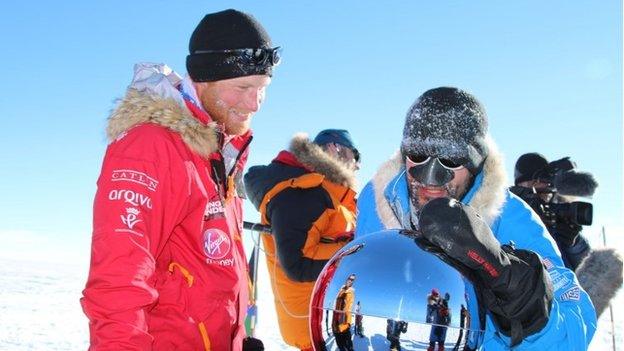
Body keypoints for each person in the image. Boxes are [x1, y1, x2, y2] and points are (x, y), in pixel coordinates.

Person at [80, 9, 279, 350]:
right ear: (202, 79)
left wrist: (236, 338)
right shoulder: (150, 146)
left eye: (262, 88)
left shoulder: (217, 153)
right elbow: (119, 277)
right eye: (244, 87)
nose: (255, 103)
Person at [356, 87, 596, 350]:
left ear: (475, 163)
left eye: (450, 159)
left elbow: (574, 332)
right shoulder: (376, 201)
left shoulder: (511, 217)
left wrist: (526, 307)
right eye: (418, 155)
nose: (430, 176)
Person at [244, 130, 360, 350]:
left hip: (329, 326)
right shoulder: (303, 193)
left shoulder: (327, 196)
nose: (358, 164)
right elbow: (297, 264)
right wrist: (354, 257)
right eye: (355, 154)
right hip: (314, 329)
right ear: (333, 148)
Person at [511, 153, 595, 270]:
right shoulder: (507, 214)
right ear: (521, 185)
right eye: (536, 183)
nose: (544, 192)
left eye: (547, 184)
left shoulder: (558, 218)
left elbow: (586, 275)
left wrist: (574, 245)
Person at [333, 274, 357, 351]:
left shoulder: (350, 292)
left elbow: (349, 307)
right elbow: (336, 304)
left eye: (352, 280)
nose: (350, 280)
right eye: (349, 278)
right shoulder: (341, 290)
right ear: (347, 279)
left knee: (348, 346)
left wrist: (346, 323)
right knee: (340, 345)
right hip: (335, 322)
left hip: (344, 323)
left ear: (353, 282)